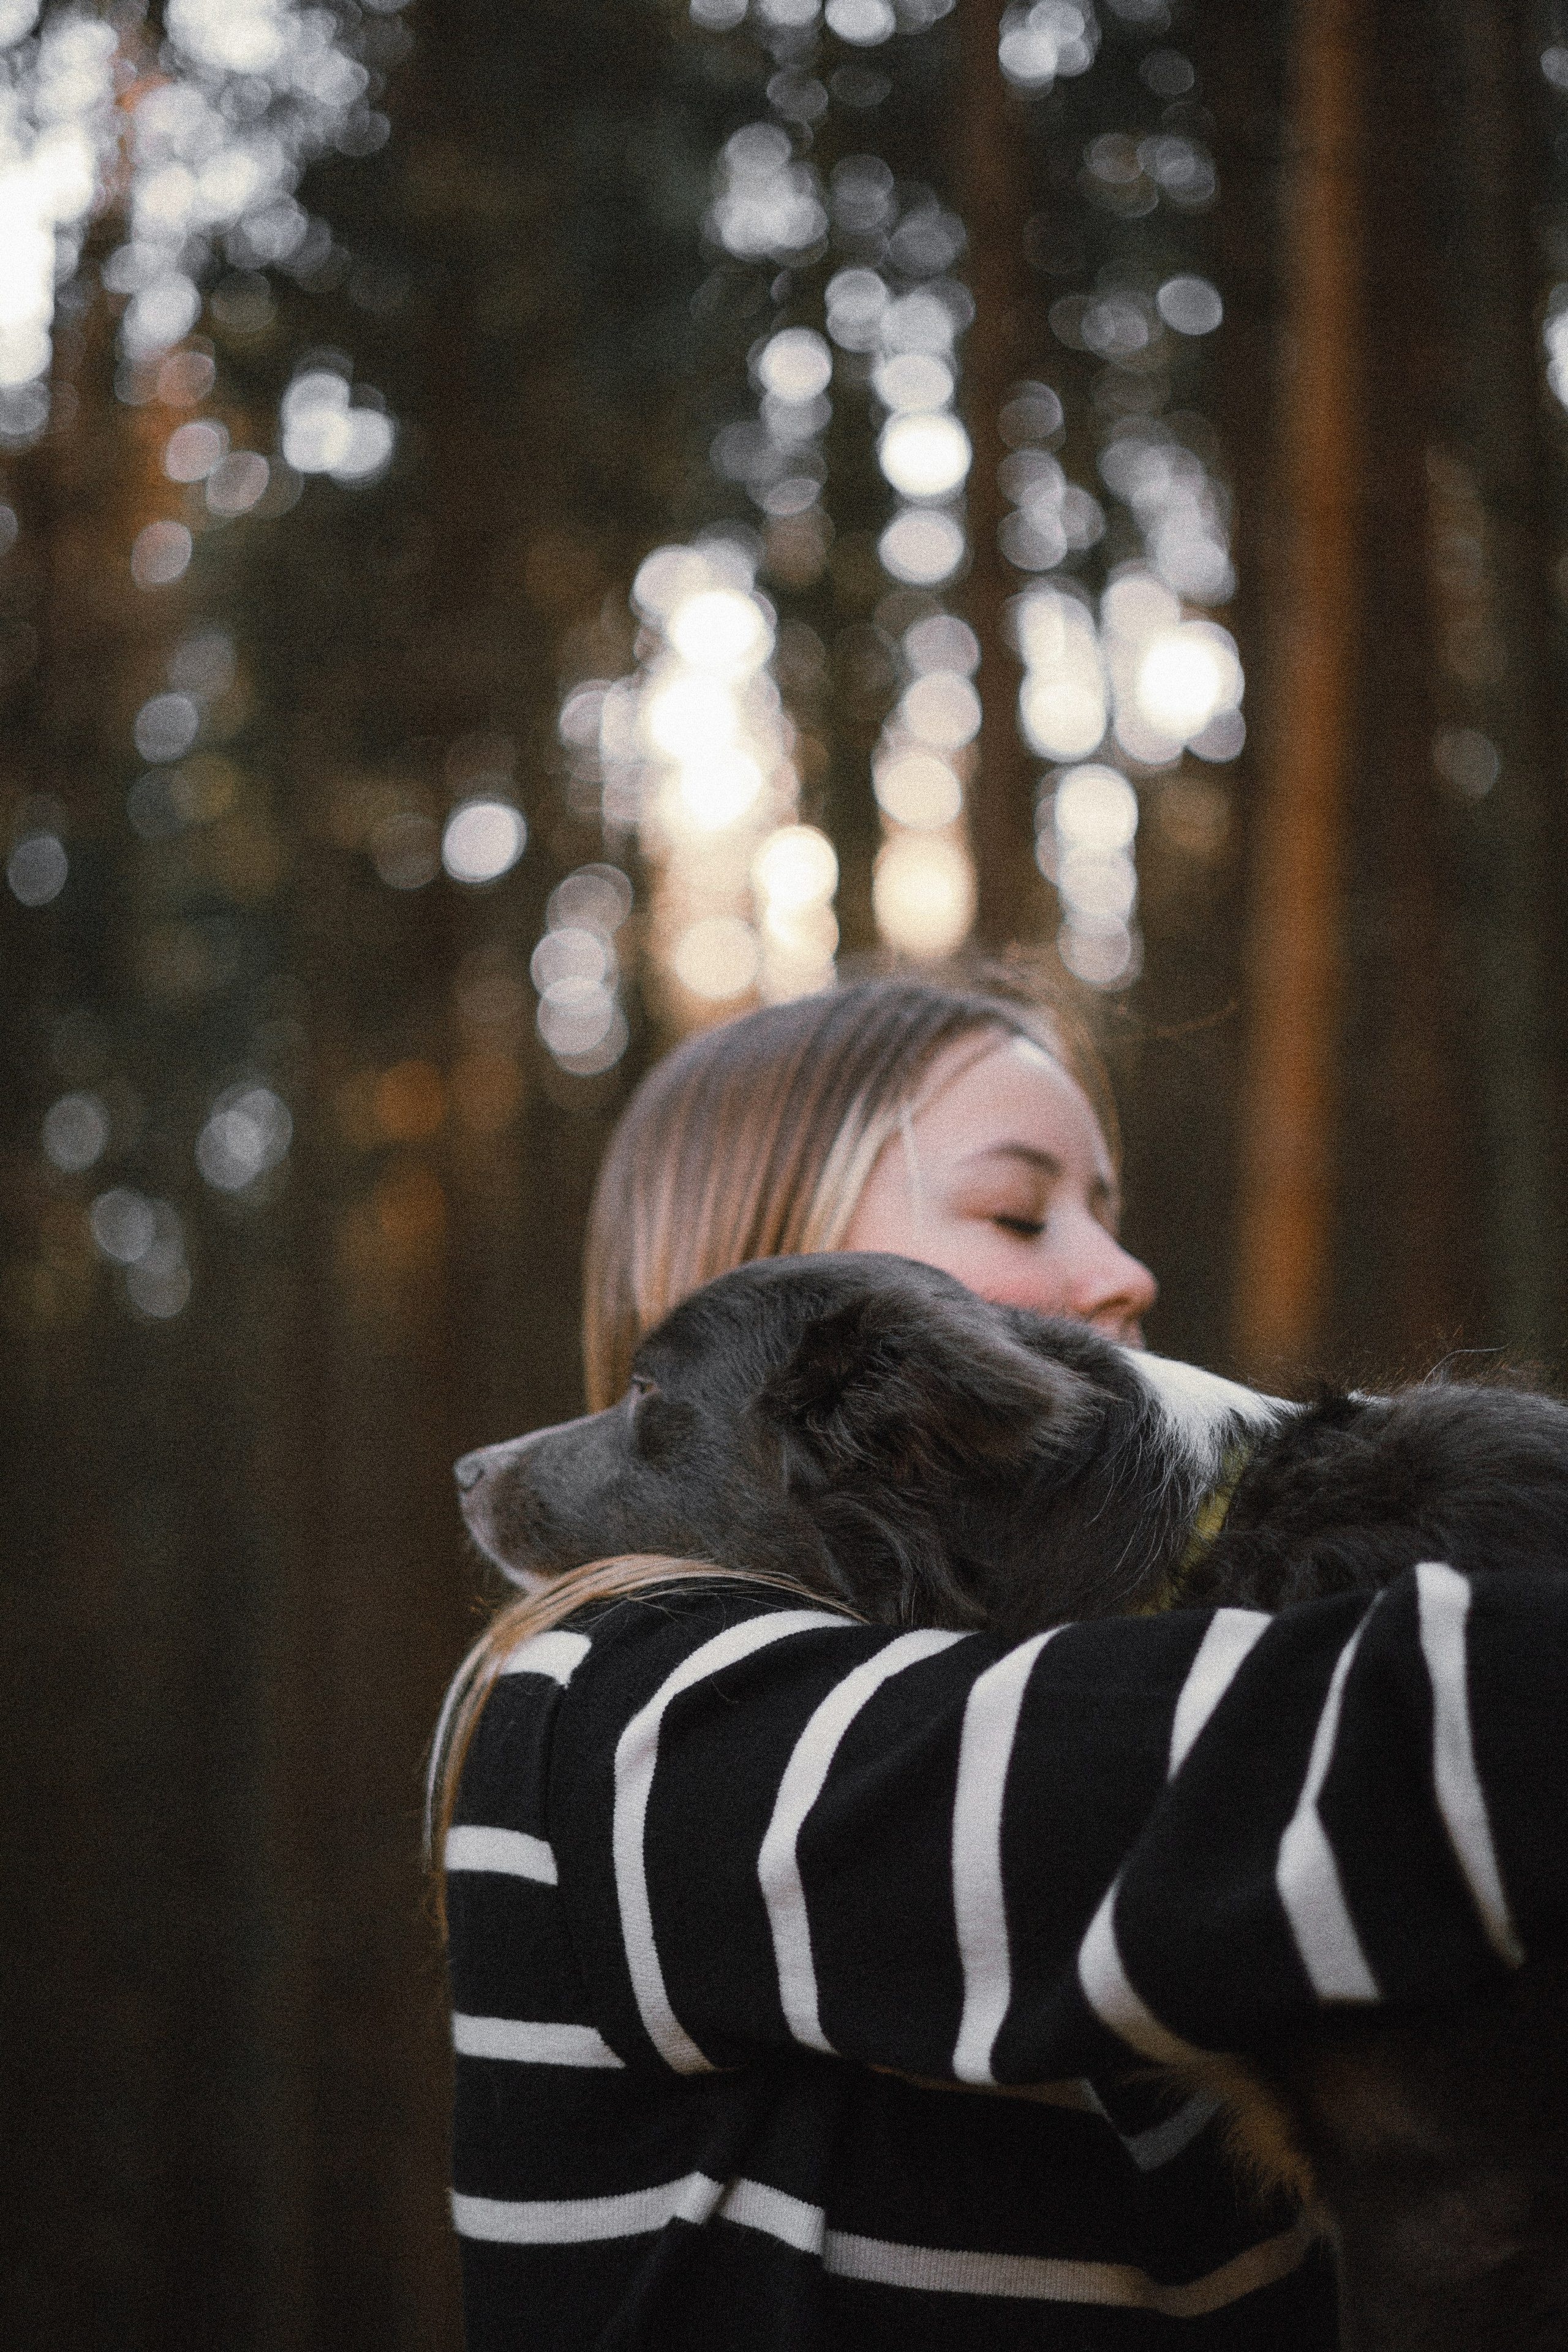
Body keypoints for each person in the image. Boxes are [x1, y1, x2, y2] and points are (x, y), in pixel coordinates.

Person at [433, 971, 1564, 2350]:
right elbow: (1420, 1733)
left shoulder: (1087, 1689)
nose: (1124, 1272)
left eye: (1110, 1208)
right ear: (802, 1306)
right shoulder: (626, 1710)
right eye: (1016, 1210)